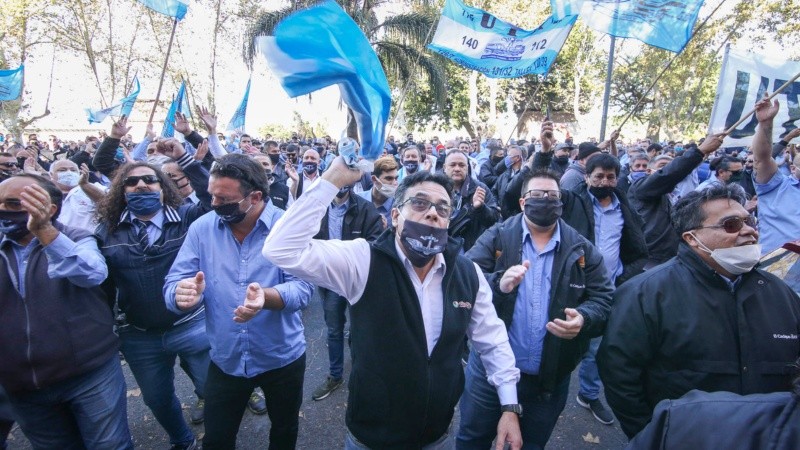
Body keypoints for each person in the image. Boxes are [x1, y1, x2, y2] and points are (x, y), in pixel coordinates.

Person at [263, 157, 523, 449]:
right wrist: (331, 180)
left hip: (437, 436)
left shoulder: (467, 273)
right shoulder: (363, 261)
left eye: (442, 207)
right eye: (420, 204)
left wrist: (509, 406)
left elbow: (492, 339)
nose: (432, 214)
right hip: (372, 438)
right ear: (396, 215)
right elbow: (280, 249)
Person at [598, 183, 800, 438]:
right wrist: (655, 435)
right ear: (692, 238)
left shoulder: (780, 293)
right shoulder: (645, 293)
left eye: (750, 222)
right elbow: (620, 376)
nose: (749, 231)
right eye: (732, 225)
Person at [164, 154, 313, 450]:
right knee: (217, 439)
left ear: (254, 197)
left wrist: (267, 298)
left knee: (284, 429)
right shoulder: (202, 228)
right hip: (226, 357)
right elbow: (174, 282)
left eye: (224, 199)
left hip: (281, 355)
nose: (215, 204)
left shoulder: (287, 228)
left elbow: (304, 289)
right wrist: (180, 295)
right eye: (212, 196)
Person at [458, 168, 614, 449]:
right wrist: (498, 283)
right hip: (490, 373)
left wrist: (584, 318)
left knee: (530, 444)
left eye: (552, 195)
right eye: (537, 194)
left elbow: (604, 298)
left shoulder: (581, 248)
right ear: (522, 202)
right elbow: (464, 278)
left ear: (561, 203)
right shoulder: (498, 237)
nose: (545, 200)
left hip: (549, 380)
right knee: (472, 438)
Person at [93, 116, 213, 448]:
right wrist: (113, 139)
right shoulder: (107, 231)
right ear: (122, 190)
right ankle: (183, 439)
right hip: (140, 336)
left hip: (192, 326)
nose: (142, 185)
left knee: (215, 390)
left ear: (164, 188)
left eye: (151, 180)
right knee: (157, 400)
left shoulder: (189, 218)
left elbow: (212, 196)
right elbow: (103, 289)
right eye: (132, 182)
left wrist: (187, 156)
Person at [0, 174, 133, 449]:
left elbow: (92, 273)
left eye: (14, 204)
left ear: (49, 209)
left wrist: (46, 232)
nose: (3, 210)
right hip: (20, 383)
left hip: (89, 374)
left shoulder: (77, 238)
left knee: (109, 445)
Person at [311, 175, 383, 401]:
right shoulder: (317, 207)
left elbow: (375, 242)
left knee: (360, 328)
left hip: (358, 279)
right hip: (330, 280)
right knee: (334, 329)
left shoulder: (365, 208)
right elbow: (307, 241)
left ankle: (363, 375)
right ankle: (335, 375)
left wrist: (348, 258)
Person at [627, 135, 724, 267]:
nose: (667, 169)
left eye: (669, 165)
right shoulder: (640, 188)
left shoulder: (675, 194)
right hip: (649, 258)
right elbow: (668, 174)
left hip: (670, 257)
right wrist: (700, 150)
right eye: (662, 166)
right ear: (649, 171)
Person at [750, 97, 800, 255]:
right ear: (793, 168)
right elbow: (762, 159)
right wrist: (765, 123)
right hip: (778, 273)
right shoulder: (776, 186)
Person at [444, 150, 501, 253]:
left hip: (471, 249)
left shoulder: (480, 188)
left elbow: (494, 219)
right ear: (444, 167)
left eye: (461, 165)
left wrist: (480, 208)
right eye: (452, 165)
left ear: (467, 167)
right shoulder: (437, 188)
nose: (457, 169)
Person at [357, 155, 398, 226]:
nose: (394, 183)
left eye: (396, 178)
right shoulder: (357, 200)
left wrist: (386, 231)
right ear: (374, 179)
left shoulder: (398, 205)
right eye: (389, 178)